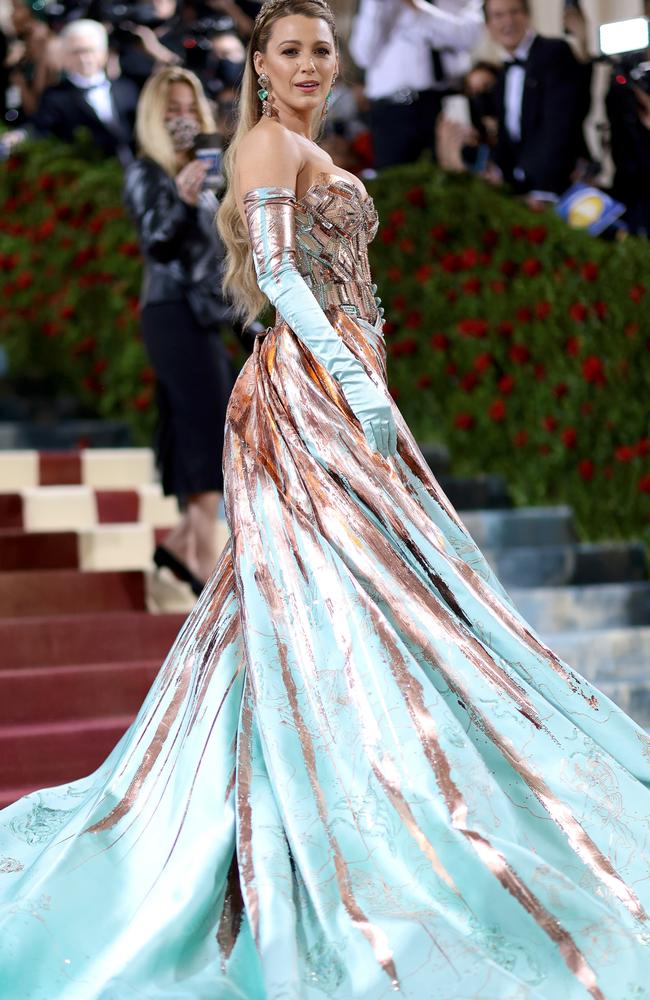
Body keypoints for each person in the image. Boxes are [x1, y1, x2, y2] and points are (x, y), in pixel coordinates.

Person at [1, 2, 650, 997]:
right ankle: (337, 817)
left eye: (319, 49)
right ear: (259, 63)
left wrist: (366, 370)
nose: (309, 64)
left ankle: (303, 794)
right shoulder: (265, 142)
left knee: (316, 602)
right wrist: (349, 379)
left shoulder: (297, 142)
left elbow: (336, 272)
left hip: (338, 380)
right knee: (355, 596)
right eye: (289, 50)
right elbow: (272, 273)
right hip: (304, 394)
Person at [124, 67, 235, 596]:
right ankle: (205, 555)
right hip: (170, 313)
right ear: (153, 115)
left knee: (208, 427)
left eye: (189, 109)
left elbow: (214, 261)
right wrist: (185, 204)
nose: (183, 119)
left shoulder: (205, 175)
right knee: (206, 428)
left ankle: (183, 546)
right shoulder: (148, 172)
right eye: (172, 110)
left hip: (201, 314)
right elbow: (156, 244)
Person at [349, 0, 484, 169]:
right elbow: (363, 55)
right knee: (394, 184)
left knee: (449, 183)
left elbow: (468, 37)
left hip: (445, 106)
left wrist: (417, 7)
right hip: (392, 110)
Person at [485, 0, 592, 204]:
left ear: (527, 15)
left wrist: (541, 189)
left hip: (556, 186)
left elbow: (560, 125)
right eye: (498, 15)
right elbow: (509, 134)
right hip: (522, 190)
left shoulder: (554, 52)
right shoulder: (501, 74)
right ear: (488, 25)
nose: (508, 21)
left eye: (514, 12)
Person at [32, 19, 138, 164]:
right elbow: (43, 136)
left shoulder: (128, 88)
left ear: (104, 52)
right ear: (65, 56)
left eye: (90, 50)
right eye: (76, 52)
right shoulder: (54, 97)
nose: (84, 58)